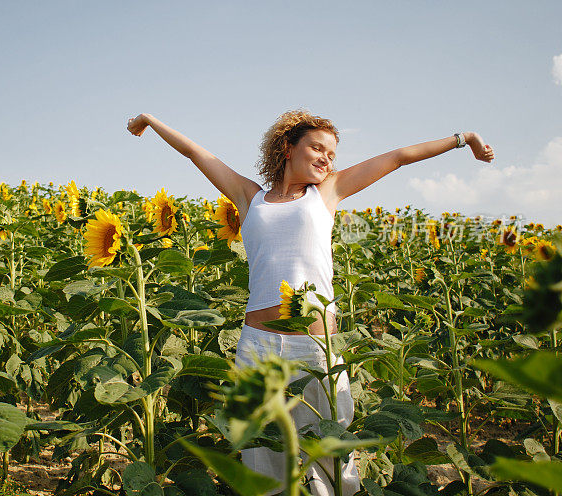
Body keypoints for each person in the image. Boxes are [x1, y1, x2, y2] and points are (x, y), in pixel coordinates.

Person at [126, 110, 494, 495]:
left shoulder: (327, 193)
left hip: (315, 347)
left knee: (329, 456)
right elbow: (197, 154)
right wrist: (151, 121)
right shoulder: (251, 198)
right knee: (262, 454)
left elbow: (398, 157)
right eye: (317, 148)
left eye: (332, 154)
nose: (326, 159)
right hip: (259, 346)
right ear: (288, 147)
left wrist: (464, 137)